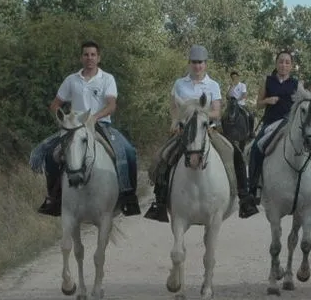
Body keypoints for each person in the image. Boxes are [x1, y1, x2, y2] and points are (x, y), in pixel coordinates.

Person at [143, 46, 256, 222]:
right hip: (184, 131)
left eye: (201, 62)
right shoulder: (179, 84)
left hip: (207, 130)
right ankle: (160, 202)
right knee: (162, 157)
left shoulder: (213, 85)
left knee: (234, 154)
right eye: (194, 62)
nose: (197, 66)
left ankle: (244, 197)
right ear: (189, 63)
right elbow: (174, 106)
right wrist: (175, 121)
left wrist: (199, 115)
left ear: (206, 64)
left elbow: (217, 111)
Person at [32, 40, 140, 217]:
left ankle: (128, 197)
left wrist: (94, 117)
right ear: (81, 57)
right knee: (51, 154)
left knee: (128, 152)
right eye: (86, 54)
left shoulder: (107, 79)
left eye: (93, 55)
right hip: (75, 127)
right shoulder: (71, 80)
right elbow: (55, 105)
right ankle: (53, 198)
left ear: (99, 58)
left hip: (101, 124)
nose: (89, 58)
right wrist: (64, 120)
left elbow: (112, 105)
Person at [243, 51, 311, 219]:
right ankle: (253, 189)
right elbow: (258, 105)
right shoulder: (267, 81)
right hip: (272, 123)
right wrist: (267, 101)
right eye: (281, 62)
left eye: (287, 62)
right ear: (276, 64)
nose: (284, 65)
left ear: (291, 65)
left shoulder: (297, 84)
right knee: (256, 148)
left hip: (292, 123)